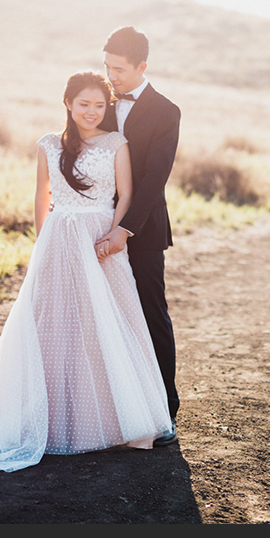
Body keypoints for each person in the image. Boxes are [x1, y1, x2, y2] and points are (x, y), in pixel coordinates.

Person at [0, 71, 174, 472]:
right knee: (55, 324)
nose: (91, 112)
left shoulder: (117, 143)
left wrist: (116, 235)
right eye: (84, 104)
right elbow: (41, 196)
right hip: (60, 239)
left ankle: (114, 419)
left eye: (99, 105)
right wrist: (43, 242)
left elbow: (126, 193)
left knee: (110, 322)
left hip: (101, 239)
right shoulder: (47, 144)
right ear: (68, 104)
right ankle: (54, 417)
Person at [95, 27, 181, 445]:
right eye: (107, 67)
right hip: (94, 225)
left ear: (142, 67)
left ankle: (164, 410)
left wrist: (125, 230)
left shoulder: (167, 112)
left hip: (143, 231)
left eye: (120, 70)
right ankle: (112, 408)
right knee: (100, 314)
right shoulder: (100, 101)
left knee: (150, 314)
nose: (111, 76)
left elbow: (153, 179)